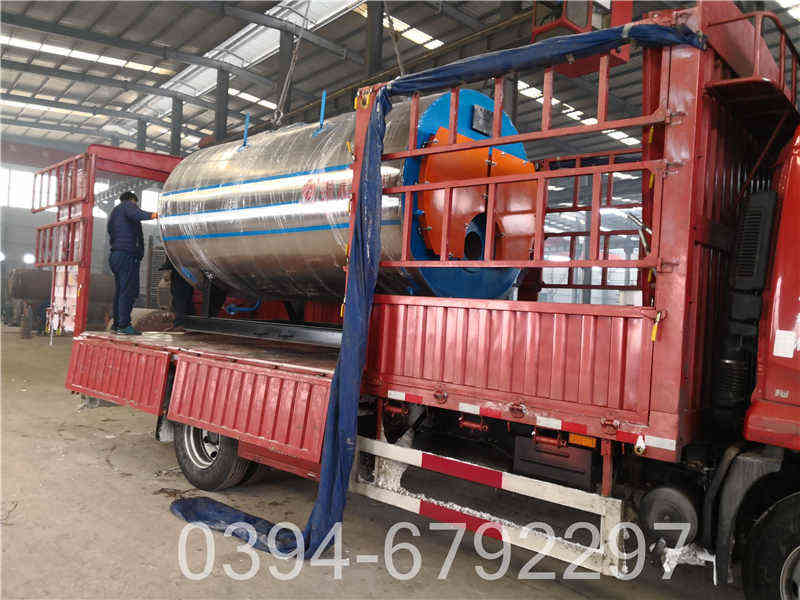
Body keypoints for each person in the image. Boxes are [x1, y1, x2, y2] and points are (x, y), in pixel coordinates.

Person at [107, 191, 157, 334]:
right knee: (128, 291)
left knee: (121, 291)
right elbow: (137, 214)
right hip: (126, 255)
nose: (136, 206)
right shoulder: (127, 205)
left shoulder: (115, 213)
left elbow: (112, 232)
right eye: (136, 204)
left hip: (116, 255)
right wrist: (155, 215)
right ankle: (124, 325)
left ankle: (117, 324)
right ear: (132, 200)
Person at [159, 259, 194, 331]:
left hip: (180, 268)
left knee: (180, 297)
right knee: (183, 297)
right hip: (184, 269)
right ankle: (186, 324)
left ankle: (180, 324)